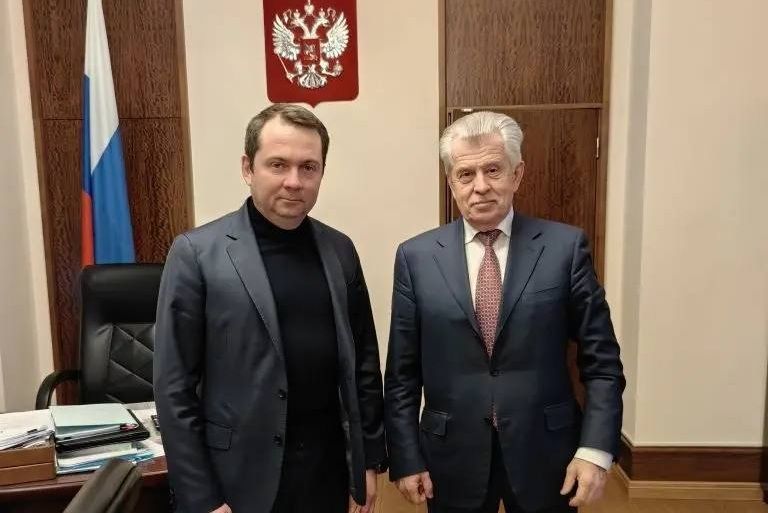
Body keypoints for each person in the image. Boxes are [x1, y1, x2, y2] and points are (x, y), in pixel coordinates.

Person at [384, 111, 625, 513]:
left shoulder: (565, 249)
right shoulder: (415, 257)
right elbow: (401, 374)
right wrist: (406, 457)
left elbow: (602, 363)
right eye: (465, 174)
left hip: (548, 454)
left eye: (493, 170)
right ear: (451, 182)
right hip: (451, 455)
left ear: (517, 174)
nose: (480, 186)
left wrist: (595, 449)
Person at [154, 104, 387, 513]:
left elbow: (363, 363)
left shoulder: (340, 250)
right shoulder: (196, 254)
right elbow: (174, 389)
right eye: (278, 165)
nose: (294, 181)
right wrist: (201, 497)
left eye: (308, 167)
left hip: (327, 471)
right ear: (248, 168)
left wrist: (368, 460)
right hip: (236, 479)